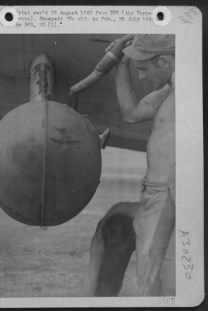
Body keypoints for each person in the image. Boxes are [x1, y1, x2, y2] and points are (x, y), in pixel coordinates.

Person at [114, 34, 176, 296]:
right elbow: (131, 113)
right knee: (149, 273)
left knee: (152, 274)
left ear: (163, 61)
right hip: (157, 193)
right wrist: (120, 65)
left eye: (143, 69)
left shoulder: (186, 93)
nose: (141, 78)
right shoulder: (167, 93)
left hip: (168, 191)